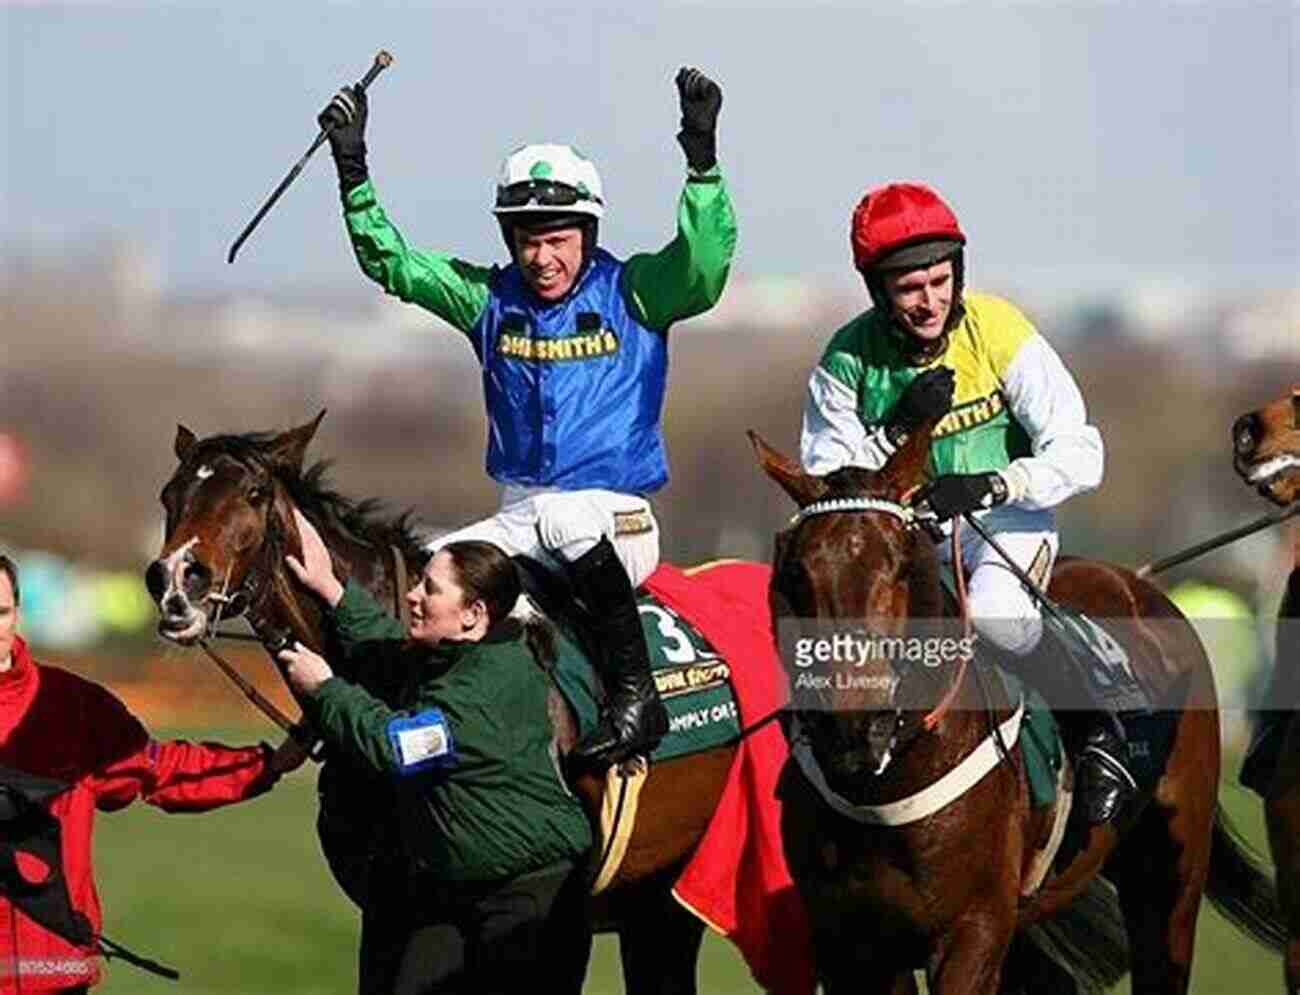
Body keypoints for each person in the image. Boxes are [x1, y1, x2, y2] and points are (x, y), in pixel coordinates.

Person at [315, 66, 737, 766]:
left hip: (617, 515)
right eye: (526, 239)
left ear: (587, 230)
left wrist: (702, 159)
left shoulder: (634, 290)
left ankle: (638, 698)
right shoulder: (488, 300)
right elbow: (397, 265)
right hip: (519, 516)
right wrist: (352, 170)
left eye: (558, 238)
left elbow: (704, 264)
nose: (542, 257)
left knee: (566, 518)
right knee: (431, 574)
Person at [799, 181, 1137, 826]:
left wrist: (994, 485)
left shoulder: (1000, 329)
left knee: (994, 614)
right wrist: (898, 428)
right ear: (878, 291)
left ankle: (1098, 731)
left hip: (1006, 521)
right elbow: (828, 483)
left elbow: (1080, 453)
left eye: (939, 280)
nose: (929, 301)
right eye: (909, 288)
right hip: (907, 536)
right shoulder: (846, 358)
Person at [279, 512, 593, 995]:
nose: (412, 596)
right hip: (454, 889)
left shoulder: (476, 696)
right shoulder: (469, 652)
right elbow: (392, 649)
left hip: (533, 897)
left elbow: (396, 746)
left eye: (430, 589)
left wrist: (325, 688)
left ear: (473, 614)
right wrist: (332, 588)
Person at [0, 553, 308, 993]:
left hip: (52, 971)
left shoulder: (72, 705)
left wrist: (267, 764)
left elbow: (160, 771)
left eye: (1, 612)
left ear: (18, 613)